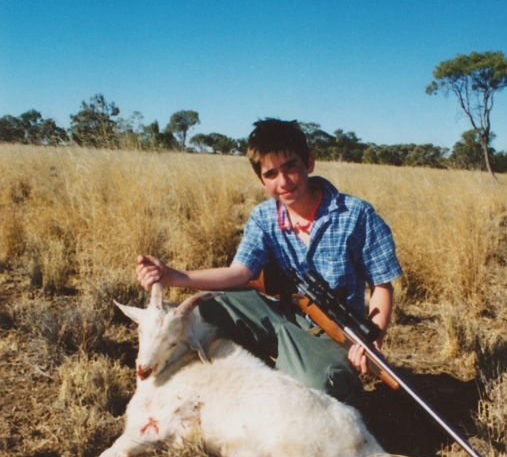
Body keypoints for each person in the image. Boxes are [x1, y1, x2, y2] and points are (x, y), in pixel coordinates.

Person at [136, 118, 402, 410]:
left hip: (335, 334)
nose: (283, 182)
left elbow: (381, 284)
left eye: (290, 167)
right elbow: (240, 273)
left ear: (309, 163)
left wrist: (371, 337)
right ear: (262, 180)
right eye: (271, 173)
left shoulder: (357, 214)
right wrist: (173, 276)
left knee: (318, 390)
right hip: (282, 317)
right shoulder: (263, 217)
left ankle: (316, 382)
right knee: (205, 310)